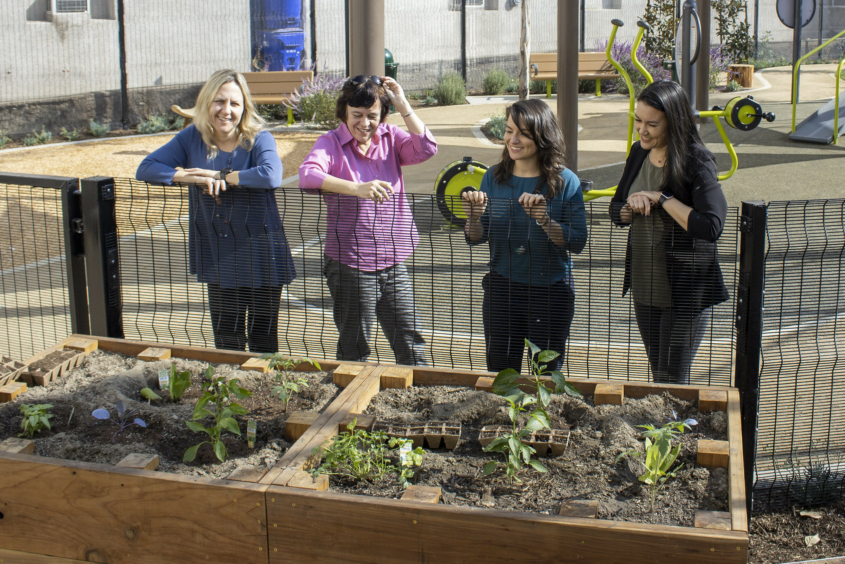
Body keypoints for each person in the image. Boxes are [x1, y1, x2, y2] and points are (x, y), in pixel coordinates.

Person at [136, 69, 294, 353]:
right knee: (227, 341)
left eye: (235, 103)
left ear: (244, 107)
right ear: (207, 102)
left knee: (263, 340)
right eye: (219, 101)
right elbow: (145, 168)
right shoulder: (191, 137)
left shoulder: (259, 138)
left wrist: (222, 175)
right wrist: (189, 176)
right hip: (218, 251)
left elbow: (271, 176)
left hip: (261, 252)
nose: (227, 110)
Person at [299, 75, 437, 365]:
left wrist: (402, 104)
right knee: (355, 344)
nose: (365, 123)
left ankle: (421, 397)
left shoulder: (390, 137)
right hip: (350, 263)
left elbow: (426, 148)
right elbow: (307, 175)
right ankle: (348, 401)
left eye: (372, 115)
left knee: (411, 339)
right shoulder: (331, 142)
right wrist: (356, 188)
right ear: (344, 112)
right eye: (357, 115)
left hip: (392, 259)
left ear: (382, 115)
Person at [609, 80, 729, 384]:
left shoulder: (697, 160)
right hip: (645, 284)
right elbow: (616, 208)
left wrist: (662, 198)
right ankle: (665, 429)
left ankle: (675, 430)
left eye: (652, 123)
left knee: (673, 378)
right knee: (658, 373)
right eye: (638, 120)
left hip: (685, 289)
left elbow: (711, 225)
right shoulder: (638, 153)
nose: (642, 129)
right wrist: (630, 206)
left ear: (673, 122)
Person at [462, 99, 587, 373]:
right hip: (502, 289)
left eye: (523, 133)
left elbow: (577, 241)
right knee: (501, 372)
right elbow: (475, 237)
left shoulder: (567, 181)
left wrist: (543, 219)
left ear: (542, 137)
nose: (512, 140)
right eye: (509, 131)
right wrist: (472, 216)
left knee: (545, 373)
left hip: (551, 291)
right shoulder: (493, 177)